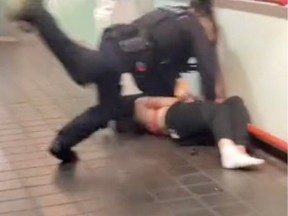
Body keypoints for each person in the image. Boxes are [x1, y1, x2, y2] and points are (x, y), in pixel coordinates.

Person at [5, 0, 224, 163]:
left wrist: (170, 97)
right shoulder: (194, 25)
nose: (212, 38)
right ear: (203, 15)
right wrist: (213, 113)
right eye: (213, 31)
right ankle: (38, 14)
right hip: (119, 56)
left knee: (108, 108)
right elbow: (207, 68)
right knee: (81, 68)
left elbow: (153, 70)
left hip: (117, 46)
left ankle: (63, 143)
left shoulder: (172, 14)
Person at [133, 95, 265, 169]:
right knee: (217, 111)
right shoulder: (141, 103)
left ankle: (239, 149)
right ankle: (229, 151)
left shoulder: (142, 108)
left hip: (179, 128)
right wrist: (184, 98)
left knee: (234, 101)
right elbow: (172, 101)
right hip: (172, 116)